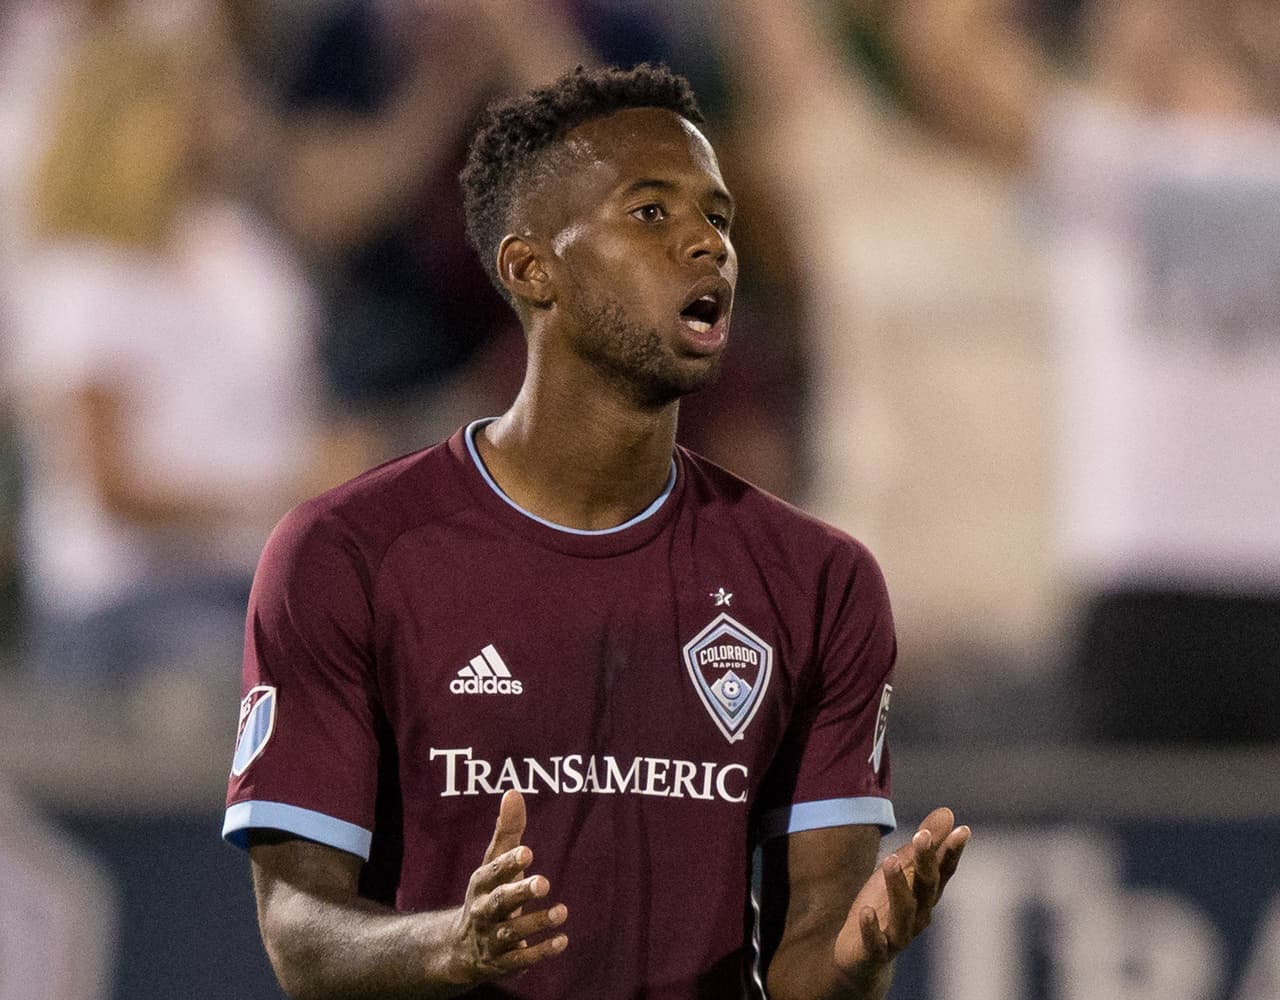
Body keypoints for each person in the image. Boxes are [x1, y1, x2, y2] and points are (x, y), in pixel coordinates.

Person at [223, 64, 969, 999]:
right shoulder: (347, 555)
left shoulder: (819, 581)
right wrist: (454, 944)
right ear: (531, 268)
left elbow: (811, 955)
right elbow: (299, 931)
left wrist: (862, 958)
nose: (707, 243)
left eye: (718, 217)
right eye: (651, 213)